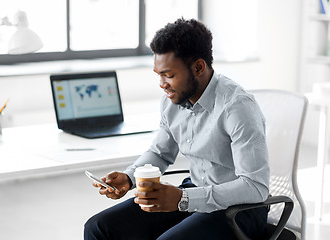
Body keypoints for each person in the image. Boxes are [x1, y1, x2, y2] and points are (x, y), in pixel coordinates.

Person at [84, 18, 270, 240]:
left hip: (240, 210)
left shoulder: (237, 107)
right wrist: (129, 177)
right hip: (194, 193)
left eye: (169, 75)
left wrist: (184, 199)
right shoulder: (171, 102)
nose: (162, 84)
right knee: (99, 227)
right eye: (158, 74)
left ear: (198, 67)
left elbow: (255, 187)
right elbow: (160, 153)